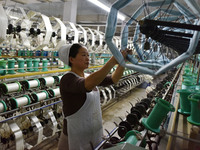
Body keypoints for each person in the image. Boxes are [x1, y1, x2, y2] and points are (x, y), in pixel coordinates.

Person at [58, 43, 130, 150]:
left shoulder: (88, 76)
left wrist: (123, 62)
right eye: (83, 55)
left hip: (94, 135)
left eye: (88, 55)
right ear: (72, 59)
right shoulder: (67, 79)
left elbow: (114, 79)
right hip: (74, 139)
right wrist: (112, 61)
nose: (88, 58)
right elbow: (87, 85)